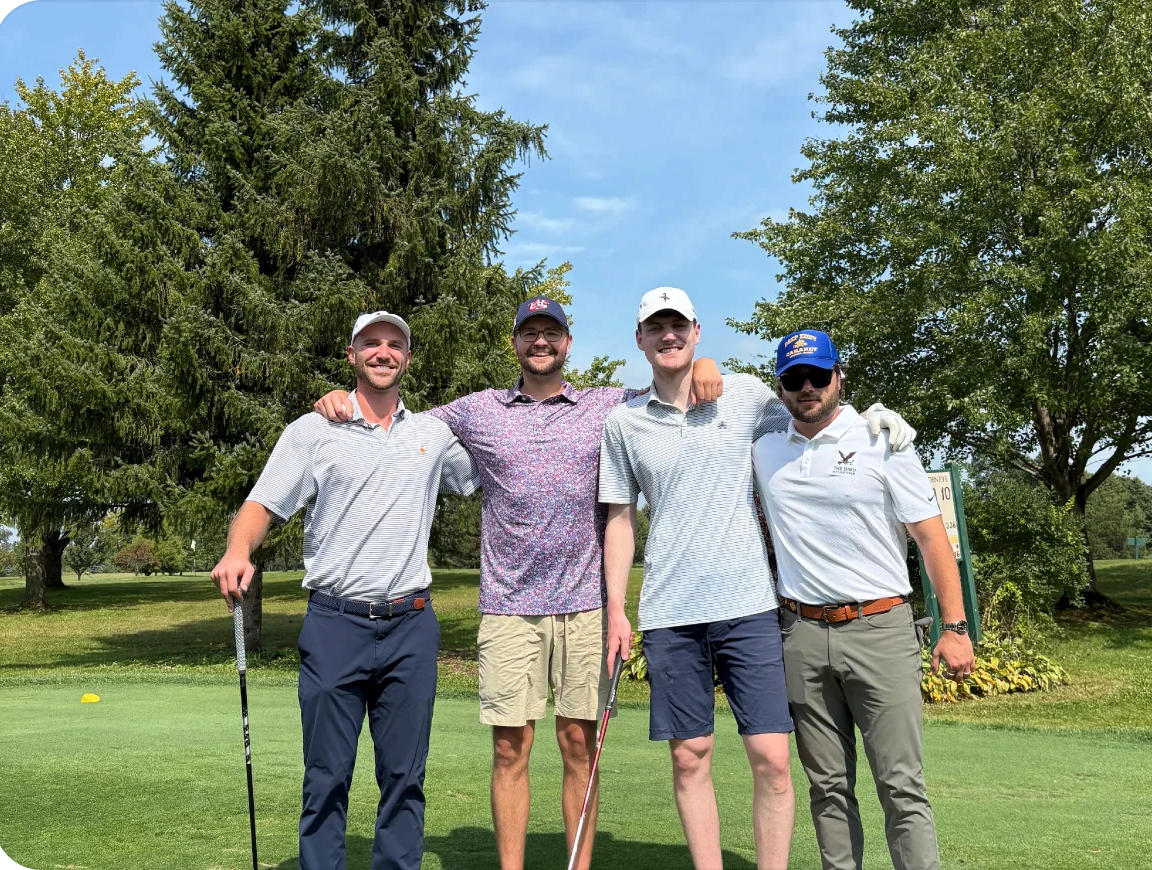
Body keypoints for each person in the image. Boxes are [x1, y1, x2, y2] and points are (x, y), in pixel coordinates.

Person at [310, 295, 726, 870]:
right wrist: (340, 399)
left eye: (550, 332)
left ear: (567, 343)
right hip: (508, 608)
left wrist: (706, 366)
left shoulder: (606, 404)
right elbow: (397, 419)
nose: (540, 342)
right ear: (515, 343)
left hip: (584, 606)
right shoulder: (479, 410)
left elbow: (670, 387)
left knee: (580, 748)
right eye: (529, 332)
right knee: (510, 748)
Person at [598, 288, 916, 870]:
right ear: (639, 339)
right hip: (671, 610)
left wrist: (872, 417)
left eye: (679, 327)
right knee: (690, 756)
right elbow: (620, 518)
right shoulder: (624, 422)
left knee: (771, 757)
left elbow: (816, 414)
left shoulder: (743, 394)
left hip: (749, 604)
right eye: (656, 327)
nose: (668, 336)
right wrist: (616, 608)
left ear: (697, 331)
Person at [210, 312, 480, 870]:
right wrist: (239, 550)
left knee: (405, 779)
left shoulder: (433, 433)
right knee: (326, 776)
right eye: (371, 344)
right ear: (352, 355)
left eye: (394, 344)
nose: (384, 352)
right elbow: (263, 504)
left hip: (411, 623)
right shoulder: (313, 430)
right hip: (336, 624)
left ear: (408, 357)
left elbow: (493, 465)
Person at [752, 329, 976, 870]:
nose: (807, 387)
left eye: (818, 376)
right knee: (827, 787)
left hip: (880, 628)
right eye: (793, 378)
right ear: (779, 388)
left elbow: (930, 538)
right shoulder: (764, 448)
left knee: (901, 787)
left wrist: (957, 627)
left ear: (838, 378)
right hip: (801, 635)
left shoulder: (884, 439)